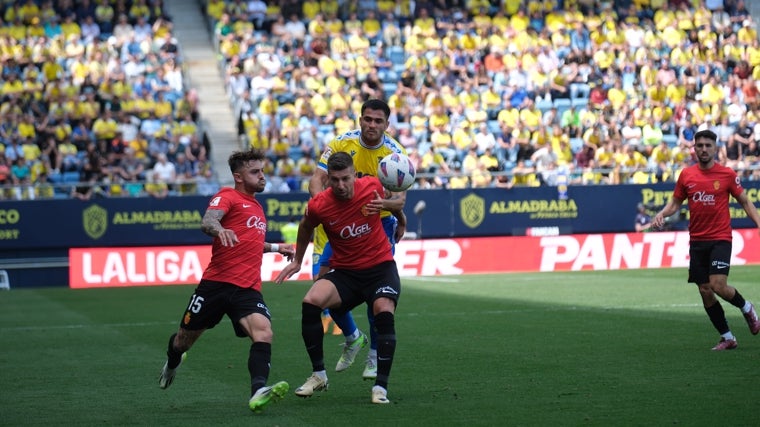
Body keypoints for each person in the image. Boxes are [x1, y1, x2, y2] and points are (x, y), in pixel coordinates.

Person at [158, 149, 295, 413]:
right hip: (216, 285)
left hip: (247, 288)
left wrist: (278, 248)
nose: (263, 176)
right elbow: (208, 221)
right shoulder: (227, 195)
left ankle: (258, 391)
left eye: (263, 171)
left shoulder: (256, 206)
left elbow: (251, 242)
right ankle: (172, 362)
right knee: (182, 342)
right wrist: (220, 229)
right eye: (255, 172)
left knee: (264, 332)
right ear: (238, 177)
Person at [275, 152, 404, 404]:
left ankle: (380, 388)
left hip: (380, 269)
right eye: (334, 180)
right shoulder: (319, 204)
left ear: (355, 174)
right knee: (311, 301)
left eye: (345, 179)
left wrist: (401, 220)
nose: (341, 186)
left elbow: (397, 201)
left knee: (383, 311)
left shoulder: (372, 185)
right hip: (346, 273)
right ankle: (319, 374)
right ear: (328, 180)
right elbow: (305, 227)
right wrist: (298, 260)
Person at [308, 98, 408, 380]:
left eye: (378, 121)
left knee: (375, 296)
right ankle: (353, 337)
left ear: (387, 125)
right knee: (321, 286)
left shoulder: (395, 153)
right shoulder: (341, 143)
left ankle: (375, 354)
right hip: (341, 226)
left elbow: (399, 201)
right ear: (360, 119)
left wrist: (387, 208)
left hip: (378, 227)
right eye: (367, 119)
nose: (371, 125)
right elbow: (316, 179)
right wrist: (323, 207)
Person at [652, 129, 760, 350]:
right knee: (705, 290)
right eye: (699, 145)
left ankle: (747, 307)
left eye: (707, 145)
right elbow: (675, 203)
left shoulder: (727, 175)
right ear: (694, 148)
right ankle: (727, 337)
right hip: (697, 241)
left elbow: (746, 202)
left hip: (720, 238)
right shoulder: (687, 175)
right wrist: (662, 214)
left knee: (718, 285)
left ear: (715, 148)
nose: (703, 149)